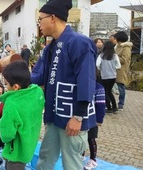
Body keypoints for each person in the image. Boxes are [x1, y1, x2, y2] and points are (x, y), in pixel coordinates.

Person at [31, 0, 97, 169]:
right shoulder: (49, 48)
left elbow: (87, 80)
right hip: (54, 116)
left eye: (40, 19)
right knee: (45, 157)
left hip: (72, 117)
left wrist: (78, 116)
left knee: (71, 163)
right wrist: (14, 74)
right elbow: (37, 76)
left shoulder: (80, 43)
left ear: (52, 18)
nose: (39, 24)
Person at [0, 61, 45, 170]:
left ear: (15, 87)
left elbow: (7, 135)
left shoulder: (12, 104)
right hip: (29, 143)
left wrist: (0, 125)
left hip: (16, 152)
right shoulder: (37, 91)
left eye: (6, 84)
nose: (5, 86)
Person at [83, 82, 106, 170]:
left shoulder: (98, 87)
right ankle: (81, 154)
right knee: (81, 138)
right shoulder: (82, 83)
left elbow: (101, 104)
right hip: (82, 117)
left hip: (92, 118)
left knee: (91, 138)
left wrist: (99, 120)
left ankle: (93, 159)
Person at [96, 41, 121, 113]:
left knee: (105, 92)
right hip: (113, 76)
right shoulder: (115, 55)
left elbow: (97, 65)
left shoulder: (101, 55)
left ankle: (109, 107)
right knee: (109, 91)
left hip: (104, 76)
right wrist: (113, 68)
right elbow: (119, 66)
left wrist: (101, 69)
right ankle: (115, 107)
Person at [114, 31, 133, 111]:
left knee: (121, 87)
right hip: (114, 69)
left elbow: (124, 60)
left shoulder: (126, 48)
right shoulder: (117, 46)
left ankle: (121, 103)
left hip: (121, 70)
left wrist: (114, 57)